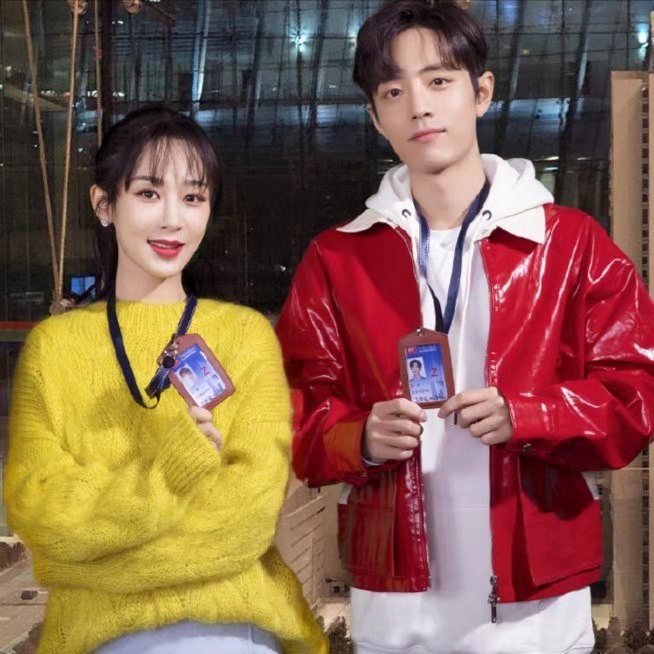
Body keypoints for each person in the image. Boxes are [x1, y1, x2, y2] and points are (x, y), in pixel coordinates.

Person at [275, 1, 654, 653]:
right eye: (394, 91)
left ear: (481, 92)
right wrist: (357, 437)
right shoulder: (337, 259)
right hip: (395, 613)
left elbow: (635, 397)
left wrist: (529, 415)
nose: (419, 106)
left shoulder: (570, 246)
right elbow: (293, 414)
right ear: (376, 117)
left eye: (438, 80)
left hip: (537, 615)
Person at [5, 105, 327, 654]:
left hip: (237, 634)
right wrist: (169, 474)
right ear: (104, 204)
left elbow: (248, 523)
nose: (173, 219)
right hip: (98, 639)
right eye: (149, 193)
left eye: (193, 197)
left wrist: (93, 556)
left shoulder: (246, 337)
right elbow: (42, 517)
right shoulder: (53, 349)